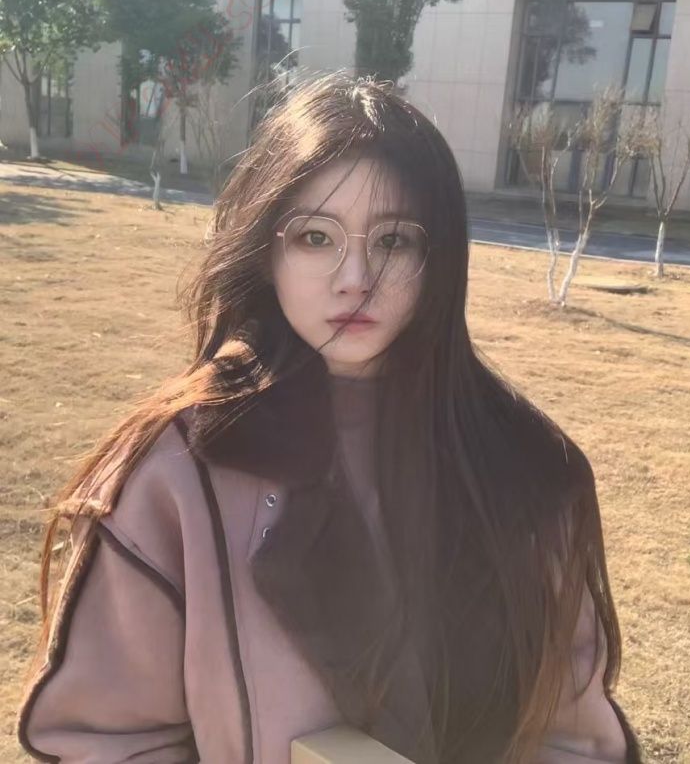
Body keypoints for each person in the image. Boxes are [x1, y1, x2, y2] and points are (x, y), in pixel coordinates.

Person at [17, 73, 641, 763]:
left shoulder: (523, 464)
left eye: (394, 241)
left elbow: (572, 736)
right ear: (266, 252)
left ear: (440, 260)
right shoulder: (180, 470)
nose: (355, 278)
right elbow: (105, 739)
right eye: (316, 237)